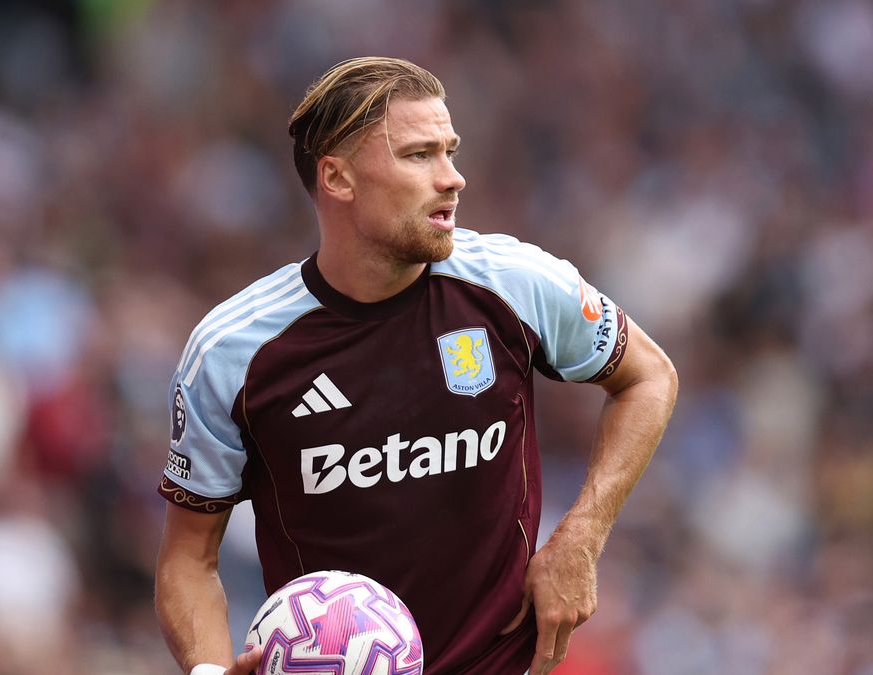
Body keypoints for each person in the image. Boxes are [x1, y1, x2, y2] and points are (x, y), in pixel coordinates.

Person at [154, 56, 677, 675]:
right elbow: (189, 557)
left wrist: (580, 538)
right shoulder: (234, 353)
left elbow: (649, 377)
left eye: (450, 151)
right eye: (419, 155)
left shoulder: (514, 285)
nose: (453, 179)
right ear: (338, 179)